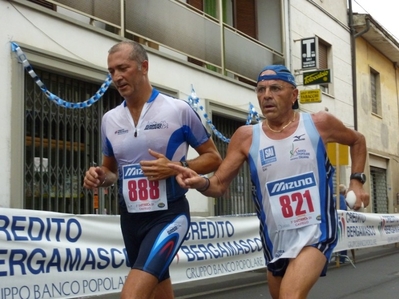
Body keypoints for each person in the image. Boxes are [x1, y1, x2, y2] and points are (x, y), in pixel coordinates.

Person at [169, 65, 370, 299]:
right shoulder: (246, 136)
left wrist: (357, 181)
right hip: (275, 239)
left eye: (275, 88)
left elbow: (358, 141)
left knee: (289, 295)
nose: (266, 95)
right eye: (261, 90)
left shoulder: (318, 123)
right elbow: (219, 185)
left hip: (316, 231)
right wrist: (200, 182)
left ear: (294, 95)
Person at [83, 41, 222, 299]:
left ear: (144, 66)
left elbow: (213, 158)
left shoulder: (178, 110)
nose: (116, 77)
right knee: (159, 292)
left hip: (168, 216)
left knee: (132, 295)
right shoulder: (109, 119)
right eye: (111, 71)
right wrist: (100, 176)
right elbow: (112, 171)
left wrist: (176, 167)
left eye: (123, 68)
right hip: (131, 219)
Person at [337, 184, 348, 263]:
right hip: (341, 222)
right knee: (343, 238)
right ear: (344, 192)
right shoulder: (341, 198)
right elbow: (343, 210)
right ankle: (342, 257)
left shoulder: (335, 198)